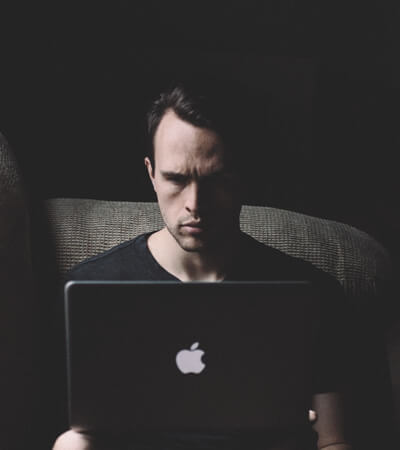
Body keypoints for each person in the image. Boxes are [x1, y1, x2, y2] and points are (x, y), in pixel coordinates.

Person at [53, 80, 352, 449]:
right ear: (151, 173)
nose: (195, 203)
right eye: (176, 179)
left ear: (242, 178)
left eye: (216, 180)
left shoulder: (311, 295)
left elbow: (332, 441)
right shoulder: (91, 292)